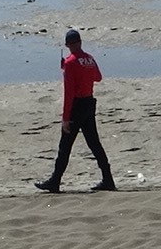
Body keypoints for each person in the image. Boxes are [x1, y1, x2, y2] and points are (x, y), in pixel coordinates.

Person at [34, 29, 116, 193]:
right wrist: (79, 73)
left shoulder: (71, 63)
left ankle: (55, 181)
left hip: (77, 106)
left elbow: (69, 93)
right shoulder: (89, 59)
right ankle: (108, 178)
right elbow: (97, 77)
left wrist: (65, 118)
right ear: (80, 42)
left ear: (67, 45)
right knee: (94, 143)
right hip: (89, 103)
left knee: (65, 146)